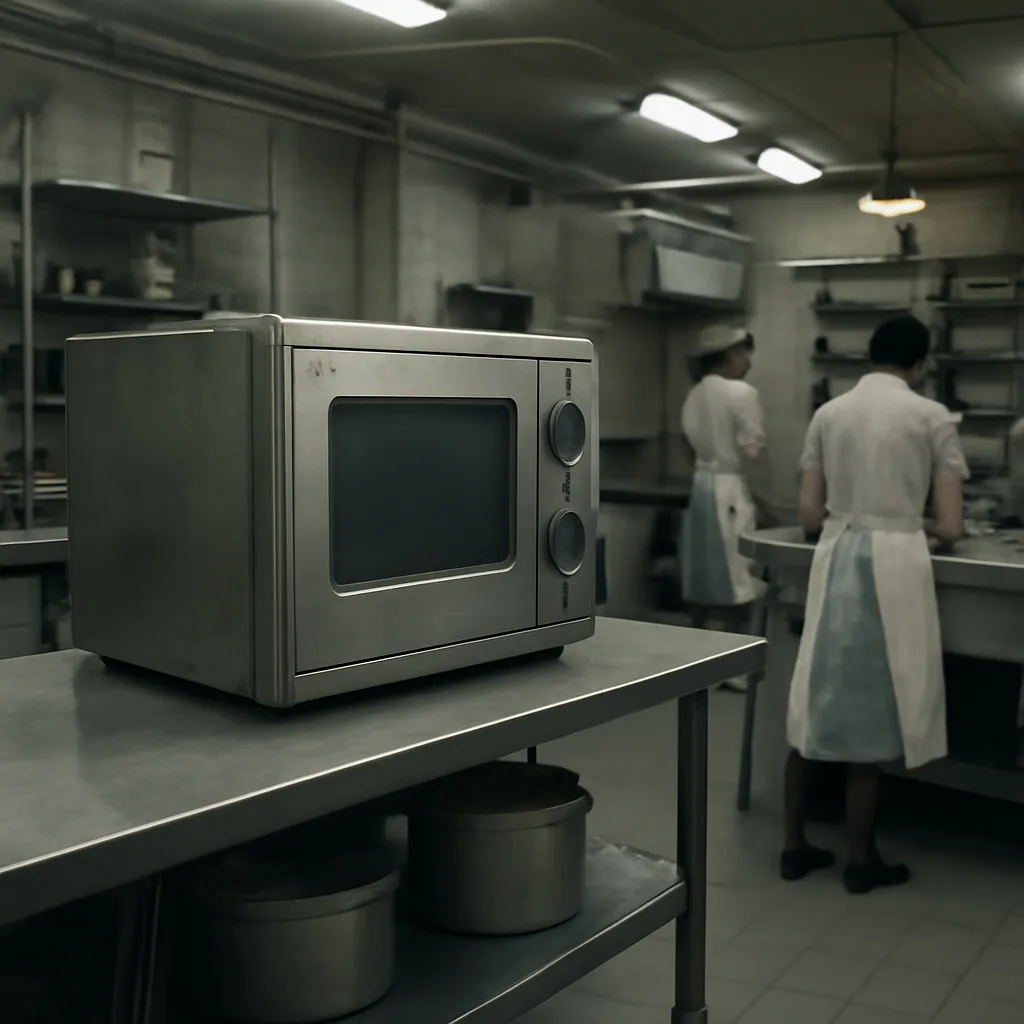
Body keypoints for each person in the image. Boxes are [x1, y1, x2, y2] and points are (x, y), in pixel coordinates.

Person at [782, 315, 967, 895]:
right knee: (874, 712)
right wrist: (927, 533)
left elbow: (811, 515)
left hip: (836, 556)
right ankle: (861, 858)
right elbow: (955, 525)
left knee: (814, 704)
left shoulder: (829, 413)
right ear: (919, 364)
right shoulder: (932, 416)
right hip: (895, 564)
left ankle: (793, 848)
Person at [680, 325, 766, 690]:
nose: (748, 363)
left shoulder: (694, 394)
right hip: (728, 491)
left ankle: (698, 661)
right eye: (745, 354)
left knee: (702, 577)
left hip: (701, 487)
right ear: (730, 355)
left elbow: (690, 449)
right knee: (737, 576)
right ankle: (734, 667)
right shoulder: (741, 393)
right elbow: (752, 450)